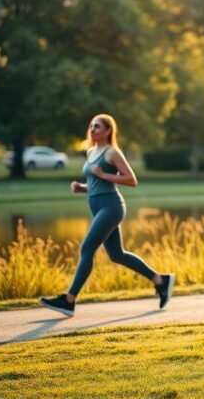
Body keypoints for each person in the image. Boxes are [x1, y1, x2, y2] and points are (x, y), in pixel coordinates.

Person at [39, 114, 173, 317]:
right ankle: (160, 280)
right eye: (91, 126)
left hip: (111, 207)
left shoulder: (112, 153)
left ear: (108, 130)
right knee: (117, 255)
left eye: (98, 126)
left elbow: (131, 179)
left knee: (86, 248)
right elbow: (96, 185)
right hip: (99, 206)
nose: (92, 129)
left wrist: (103, 175)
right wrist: (81, 187)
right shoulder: (91, 151)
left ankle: (69, 300)